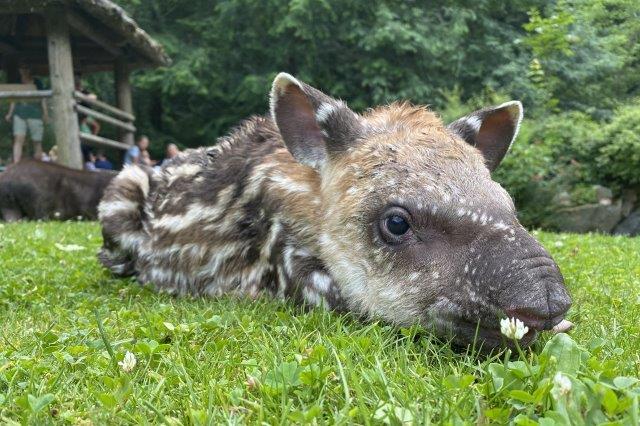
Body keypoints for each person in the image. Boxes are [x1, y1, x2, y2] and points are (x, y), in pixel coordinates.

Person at [4, 63, 49, 163]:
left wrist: (45, 113)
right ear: (19, 70)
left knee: (36, 141)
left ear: (30, 70)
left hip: (35, 114)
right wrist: (10, 114)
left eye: (26, 68)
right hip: (20, 114)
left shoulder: (37, 82)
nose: (24, 70)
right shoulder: (17, 82)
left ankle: (39, 165)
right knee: (18, 139)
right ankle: (16, 164)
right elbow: (13, 99)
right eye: (22, 68)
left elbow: (43, 98)